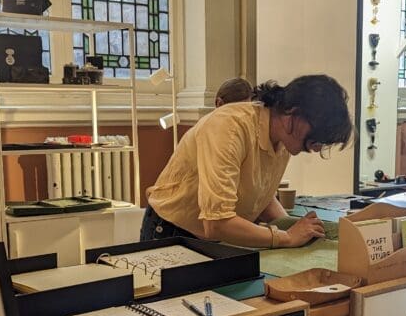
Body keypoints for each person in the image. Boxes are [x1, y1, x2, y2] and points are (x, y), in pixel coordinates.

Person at [140, 74, 352, 250]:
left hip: (211, 237)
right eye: (318, 137)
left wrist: (292, 227)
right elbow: (216, 223)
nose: (317, 147)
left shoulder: (283, 140)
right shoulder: (229, 127)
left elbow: (259, 195)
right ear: (292, 116)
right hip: (171, 232)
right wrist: (286, 237)